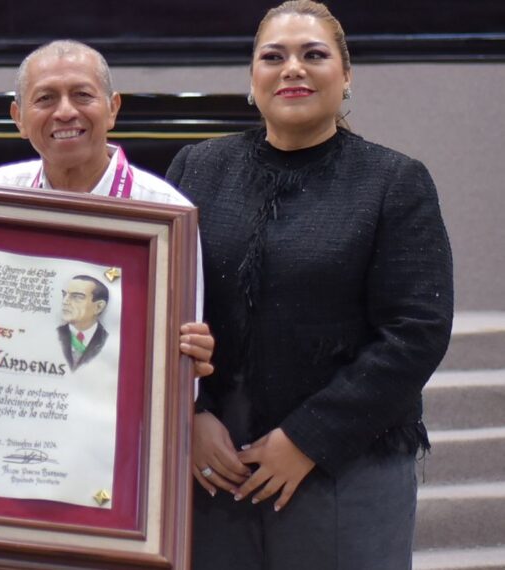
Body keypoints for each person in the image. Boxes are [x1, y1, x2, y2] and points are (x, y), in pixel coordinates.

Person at [166, 2, 454, 568]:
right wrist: (192, 414)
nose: (292, 68)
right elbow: (165, 306)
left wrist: (306, 440)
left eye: (313, 55)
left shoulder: (395, 181)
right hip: (215, 460)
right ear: (253, 79)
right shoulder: (197, 169)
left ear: (345, 75)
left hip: (346, 461)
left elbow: (416, 332)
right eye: (273, 57)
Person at [0, 39, 215, 377]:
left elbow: (179, 363)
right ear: (18, 118)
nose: (64, 112)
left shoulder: (167, 213)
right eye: (45, 98)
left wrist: (182, 365)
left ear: (112, 109)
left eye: (82, 95)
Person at [58, 275, 110, 370]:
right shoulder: (53, 335)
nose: (65, 301)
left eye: (76, 297)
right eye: (64, 295)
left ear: (99, 307)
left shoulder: (108, 341)